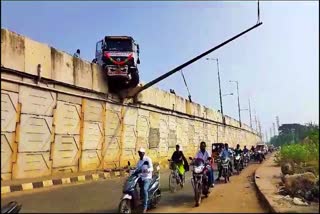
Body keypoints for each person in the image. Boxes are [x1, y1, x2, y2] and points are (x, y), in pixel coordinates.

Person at [136, 148, 153, 213]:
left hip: (147, 177)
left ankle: (145, 207)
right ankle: (139, 201)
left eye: (141, 153)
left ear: (143, 153)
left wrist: (147, 170)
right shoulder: (139, 161)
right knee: (136, 188)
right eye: (139, 153)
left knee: (145, 189)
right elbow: (137, 169)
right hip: (141, 177)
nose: (140, 154)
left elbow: (151, 168)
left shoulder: (148, 159)